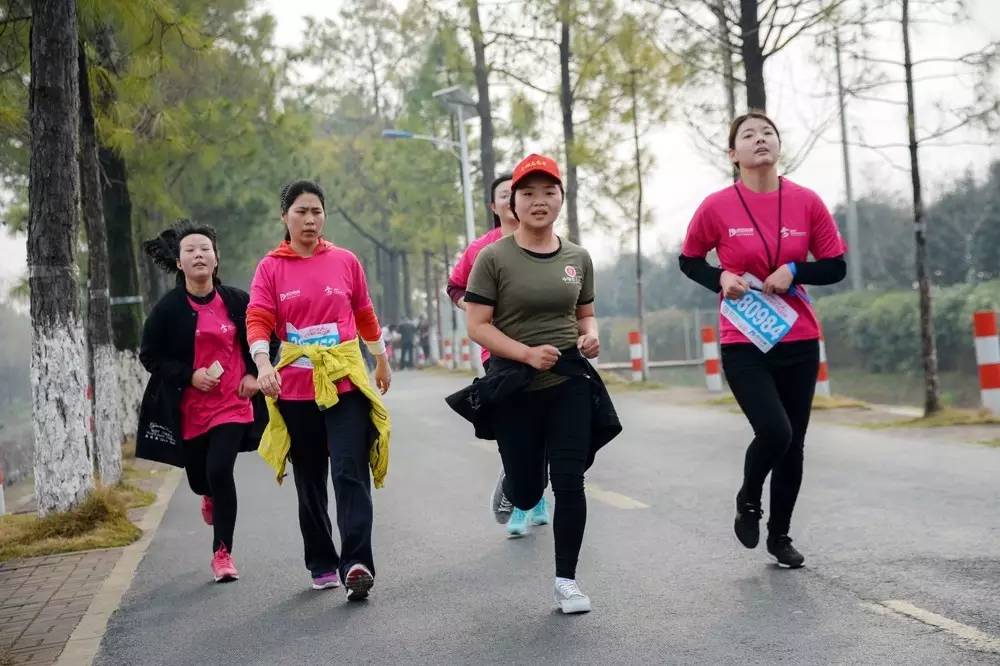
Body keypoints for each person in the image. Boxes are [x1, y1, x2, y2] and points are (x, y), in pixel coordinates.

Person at [451, 154, 622, 614]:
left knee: (569, 481)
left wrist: (591, 336)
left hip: (567, 379)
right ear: (512, 203)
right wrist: (525, 353)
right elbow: (477, 325)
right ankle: (514, 485)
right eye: (528, 193)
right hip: (514, 383)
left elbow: (584, 313)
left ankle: (566, 581)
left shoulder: (577, 257)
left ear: (561, 198)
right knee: (529, 490)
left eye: (549, 192)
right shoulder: (492, 258)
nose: (538, 201)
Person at [678, 111, 847, 568]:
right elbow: (689, 259)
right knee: (775, 431)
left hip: (799, 338)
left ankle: (780, 536)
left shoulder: (806, 202)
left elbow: (835, 265)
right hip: (743, 338)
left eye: (768, 133)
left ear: (778, 146)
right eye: (748, 135)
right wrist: (721, 277)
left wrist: (795, 269)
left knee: (795, 442)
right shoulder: (716, 207)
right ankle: (749, 498)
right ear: (733, 154)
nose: (760, 140)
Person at [247, 180, 392, 600]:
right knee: (310, 479)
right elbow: (257, 318)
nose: (310, 220)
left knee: (351, 472)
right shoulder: (271, 268)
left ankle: (357, 563)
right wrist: (262, 363)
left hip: (345, 382)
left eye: (316, 212)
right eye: (301, 212)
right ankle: (322, 561)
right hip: (295, 389)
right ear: (285, 217)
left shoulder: (345, 261)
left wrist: (379, 358)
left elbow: (364, 312)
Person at [137, 220, 268, 583]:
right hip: (190, 410)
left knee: (219, 470)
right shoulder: (168, 310)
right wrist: (190, 376)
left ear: (216, 258)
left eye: (205, 249)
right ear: (179, 263)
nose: (198, 254)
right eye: (190, 250)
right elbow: (150, 356)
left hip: (233, 404)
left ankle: (222, 553)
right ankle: (206, 495)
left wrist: (255, 376)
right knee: (199, 479)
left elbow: (266, 337)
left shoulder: (238, 301)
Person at [447, 173, 551, 537]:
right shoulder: (482, 250)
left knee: (543, 426)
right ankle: (520, 500)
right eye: (504, 195)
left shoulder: (546, 241)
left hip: (545, 349)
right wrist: (475, 311)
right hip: (500, 355)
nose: (512, 199)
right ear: (496, 206)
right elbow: (455, 286)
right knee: (516, 425)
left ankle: (536, 497)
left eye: (516, 192)